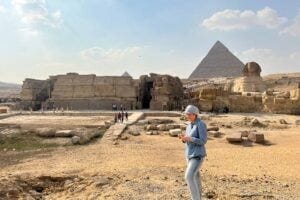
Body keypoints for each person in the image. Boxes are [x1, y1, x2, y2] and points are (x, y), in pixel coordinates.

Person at [179, 105, 207, 200]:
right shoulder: (189, 125)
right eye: (186, 114)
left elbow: (203, 141)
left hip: (197, 156)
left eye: (189, 114)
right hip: (189, 155)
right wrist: (184, 139)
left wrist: (191, 138)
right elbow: (188, 139)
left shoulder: (201, 124)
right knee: (195, 178)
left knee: (188, 176)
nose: (187, 116)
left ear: (195, 114)